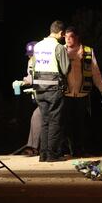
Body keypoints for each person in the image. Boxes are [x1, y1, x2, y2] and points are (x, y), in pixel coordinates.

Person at [63, 26, 102, 156]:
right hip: (66, 93)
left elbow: (95, 72)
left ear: (76, 37)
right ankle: (68, 150)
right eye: (66, 37)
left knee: (81, 124)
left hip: (82, 93)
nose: (68, 40)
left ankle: (80, 150)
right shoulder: (61, 51)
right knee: (67, 124)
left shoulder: (88, 51)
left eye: (70, 37)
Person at [33, 20, 70, 162]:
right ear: (61, 33)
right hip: (53, 88)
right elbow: (66, 69)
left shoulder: (37, 46)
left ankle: (43, 155)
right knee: (55, 121)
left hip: (39, 88)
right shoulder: (59, 47)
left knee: (45, 121)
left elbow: (34, 66)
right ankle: (52, 155)